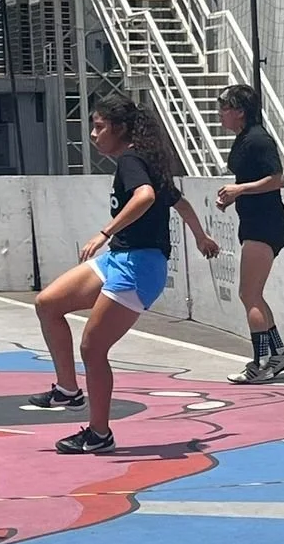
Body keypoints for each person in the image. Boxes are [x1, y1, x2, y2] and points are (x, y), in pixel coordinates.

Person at [28, 94, 219, 454]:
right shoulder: (143, 160)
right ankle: (68, 390)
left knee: (92, 347)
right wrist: (200, 235)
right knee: (48, 303)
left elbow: (145, 197)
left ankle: (99, 433)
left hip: (138, 266)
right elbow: (177, 201)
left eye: (99, 127)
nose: (93, 135)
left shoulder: (132, 160)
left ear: (118, 128)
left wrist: (104, 232)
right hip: (122, 258)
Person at [215, 84, 284, 384]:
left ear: (240, 111)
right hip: (253, 221)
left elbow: (278, 179)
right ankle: (279, 352)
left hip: (266, 223)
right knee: (253, 294)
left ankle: (260, 363)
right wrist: (233, 196)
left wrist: (240, 189)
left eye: (225, 108)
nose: (221, 114)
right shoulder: (243, 139)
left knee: (248, 294)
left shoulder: (259, 139)